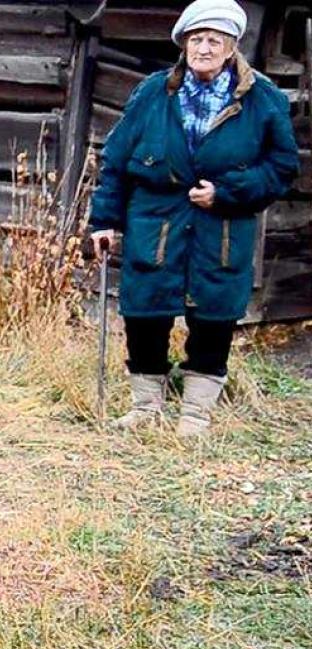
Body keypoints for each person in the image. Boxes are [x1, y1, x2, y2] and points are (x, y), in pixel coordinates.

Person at [89, 0, 300, 437]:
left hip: (222, 225)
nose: (204, 48)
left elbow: (282, 168)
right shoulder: (153, 91)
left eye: (214, 41)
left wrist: (227, 193)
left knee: (214, 315)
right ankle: (146, 407)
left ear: (231, 48)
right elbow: (115, 159)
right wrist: (104, 220)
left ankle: (195, 414)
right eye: (196, 39)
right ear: (183, 44)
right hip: (156, 219)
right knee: (145, 309)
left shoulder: (264, 99)